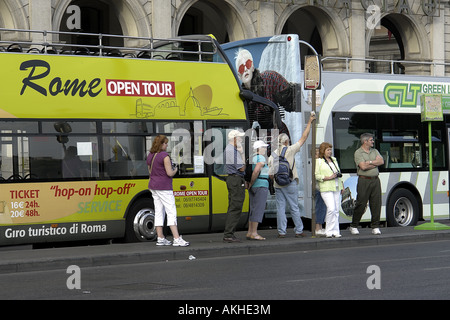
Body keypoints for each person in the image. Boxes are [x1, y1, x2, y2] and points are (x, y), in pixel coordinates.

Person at [268, 112, 316, 238]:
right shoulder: (290, 150)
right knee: (294, 207)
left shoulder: (272, 154)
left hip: (278, 184)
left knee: (280, 208)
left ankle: (281, 232)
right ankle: (299, 230)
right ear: (286, 141)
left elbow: (271, 174)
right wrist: (310, 122)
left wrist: (277, 180)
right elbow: (304, 137)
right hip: (290, 182)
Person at [147, 135, 189, 247]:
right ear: (161, 144)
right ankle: (177, 238)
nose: (166, 145)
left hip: (153, 186)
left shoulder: (150, 155)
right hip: (164, 187)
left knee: (159, 212)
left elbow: (150, 172)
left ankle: (160, 238)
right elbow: (169, 173)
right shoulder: (165, 156)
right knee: (171, 212)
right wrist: (176, 169)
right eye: (165, 143)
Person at [350, 133, 384, 235]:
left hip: (375, 180)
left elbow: (381, 161)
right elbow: (362, 167)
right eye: (371, 140)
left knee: (376, 204)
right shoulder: (358, 152)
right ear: (365, 141)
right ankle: (354, 225)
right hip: (364, 180)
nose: (373, 141)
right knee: (361, 203)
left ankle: (375, 226)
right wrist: (374, 162)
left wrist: (368, 162)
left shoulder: (375, 151)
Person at [315, 142, 344, 238]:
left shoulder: (334, 160)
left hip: (336, 186)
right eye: (328, 150)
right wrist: (328, 177)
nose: (330, 152)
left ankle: (335, 231)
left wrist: (342, 185)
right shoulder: (319, 161)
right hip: (326, 187)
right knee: (331, 208)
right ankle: (328, 230)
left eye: (330, 149)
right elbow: (317, 176)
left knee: (336, 210)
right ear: (323, 151)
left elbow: (339, 173)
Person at [223, 129, 246, 243]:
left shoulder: (230, 149)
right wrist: (242, 153)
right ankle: (229, 234)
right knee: (235, 207)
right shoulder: (232, 150)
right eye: (240, 137)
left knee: (233, 206)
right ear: (235, 139)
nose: (241, 139)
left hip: (234, 179)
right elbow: (241, 168)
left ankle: (229, 233)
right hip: (236, 180)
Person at [246, 140, 270, 241]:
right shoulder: (261, 158)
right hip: (261, 185)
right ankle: (254, 233)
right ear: (258, 149)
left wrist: (251, 183)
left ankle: (250, 232)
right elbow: (256, 170)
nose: (265, 149)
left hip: (254, 186)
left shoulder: (253, 157)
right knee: (259, 209)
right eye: (263, 147)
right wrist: (252, 181)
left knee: (253, 208)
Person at [314, 148, 327, 236]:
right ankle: (318, 227)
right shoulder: (318, 162)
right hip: (319, 187)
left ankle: (320, 226)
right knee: (320, 207)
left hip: (320, 187)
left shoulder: (319, 162)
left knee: (322, 207)